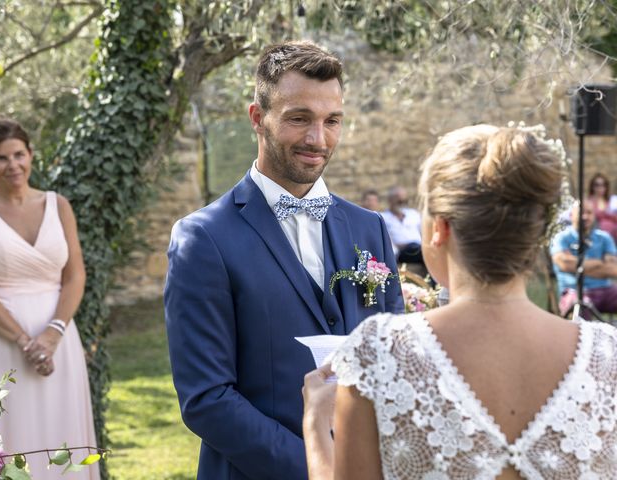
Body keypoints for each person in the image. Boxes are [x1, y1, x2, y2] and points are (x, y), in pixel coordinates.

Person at [303, 125, 617, 479]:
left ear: (440, 227)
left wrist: (316, 425)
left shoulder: (377, 352)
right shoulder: (608, 356)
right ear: (537, 230)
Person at [164, 40, 404, 480]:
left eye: (332, 121)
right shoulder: (203, 238)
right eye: (299, 119)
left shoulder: (369, 227)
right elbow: (207, 399)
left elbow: (394, 361)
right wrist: (319, 469)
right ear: (258, 118)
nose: (318, 139)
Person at [0, 117, 99, 479]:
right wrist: (24, 340)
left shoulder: (58, 205)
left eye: (18, 154)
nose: (12, 165)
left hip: (59, 340)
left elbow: (75, 274)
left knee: (61, 430)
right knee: (5, 439)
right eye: (1, 158)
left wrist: (52, 334)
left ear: (31, 154)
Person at [551, 200, 617, 317]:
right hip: (573, 291)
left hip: (606, 290)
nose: (585, 216)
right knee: (579, 307)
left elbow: (613, 269)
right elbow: (565, 264)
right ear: (571, 215)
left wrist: (578, 266)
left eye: (589, 212)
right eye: (581, 212)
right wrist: (600, 263)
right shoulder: (561, 238)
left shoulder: (604, 238)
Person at [381, 186, 424, 266]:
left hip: (419, 248)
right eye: (398, 198)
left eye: (403, 199)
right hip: (402, 252)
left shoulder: (413, 214)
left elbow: (424, 232)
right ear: (390, 200)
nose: (401, 201)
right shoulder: (383, 218)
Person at [587, 172, 617, 242]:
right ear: (592, 186)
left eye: (603, 185)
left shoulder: (613, 200)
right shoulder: (588, 202)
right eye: (597, 185)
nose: (600, 187)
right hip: (595, 239)